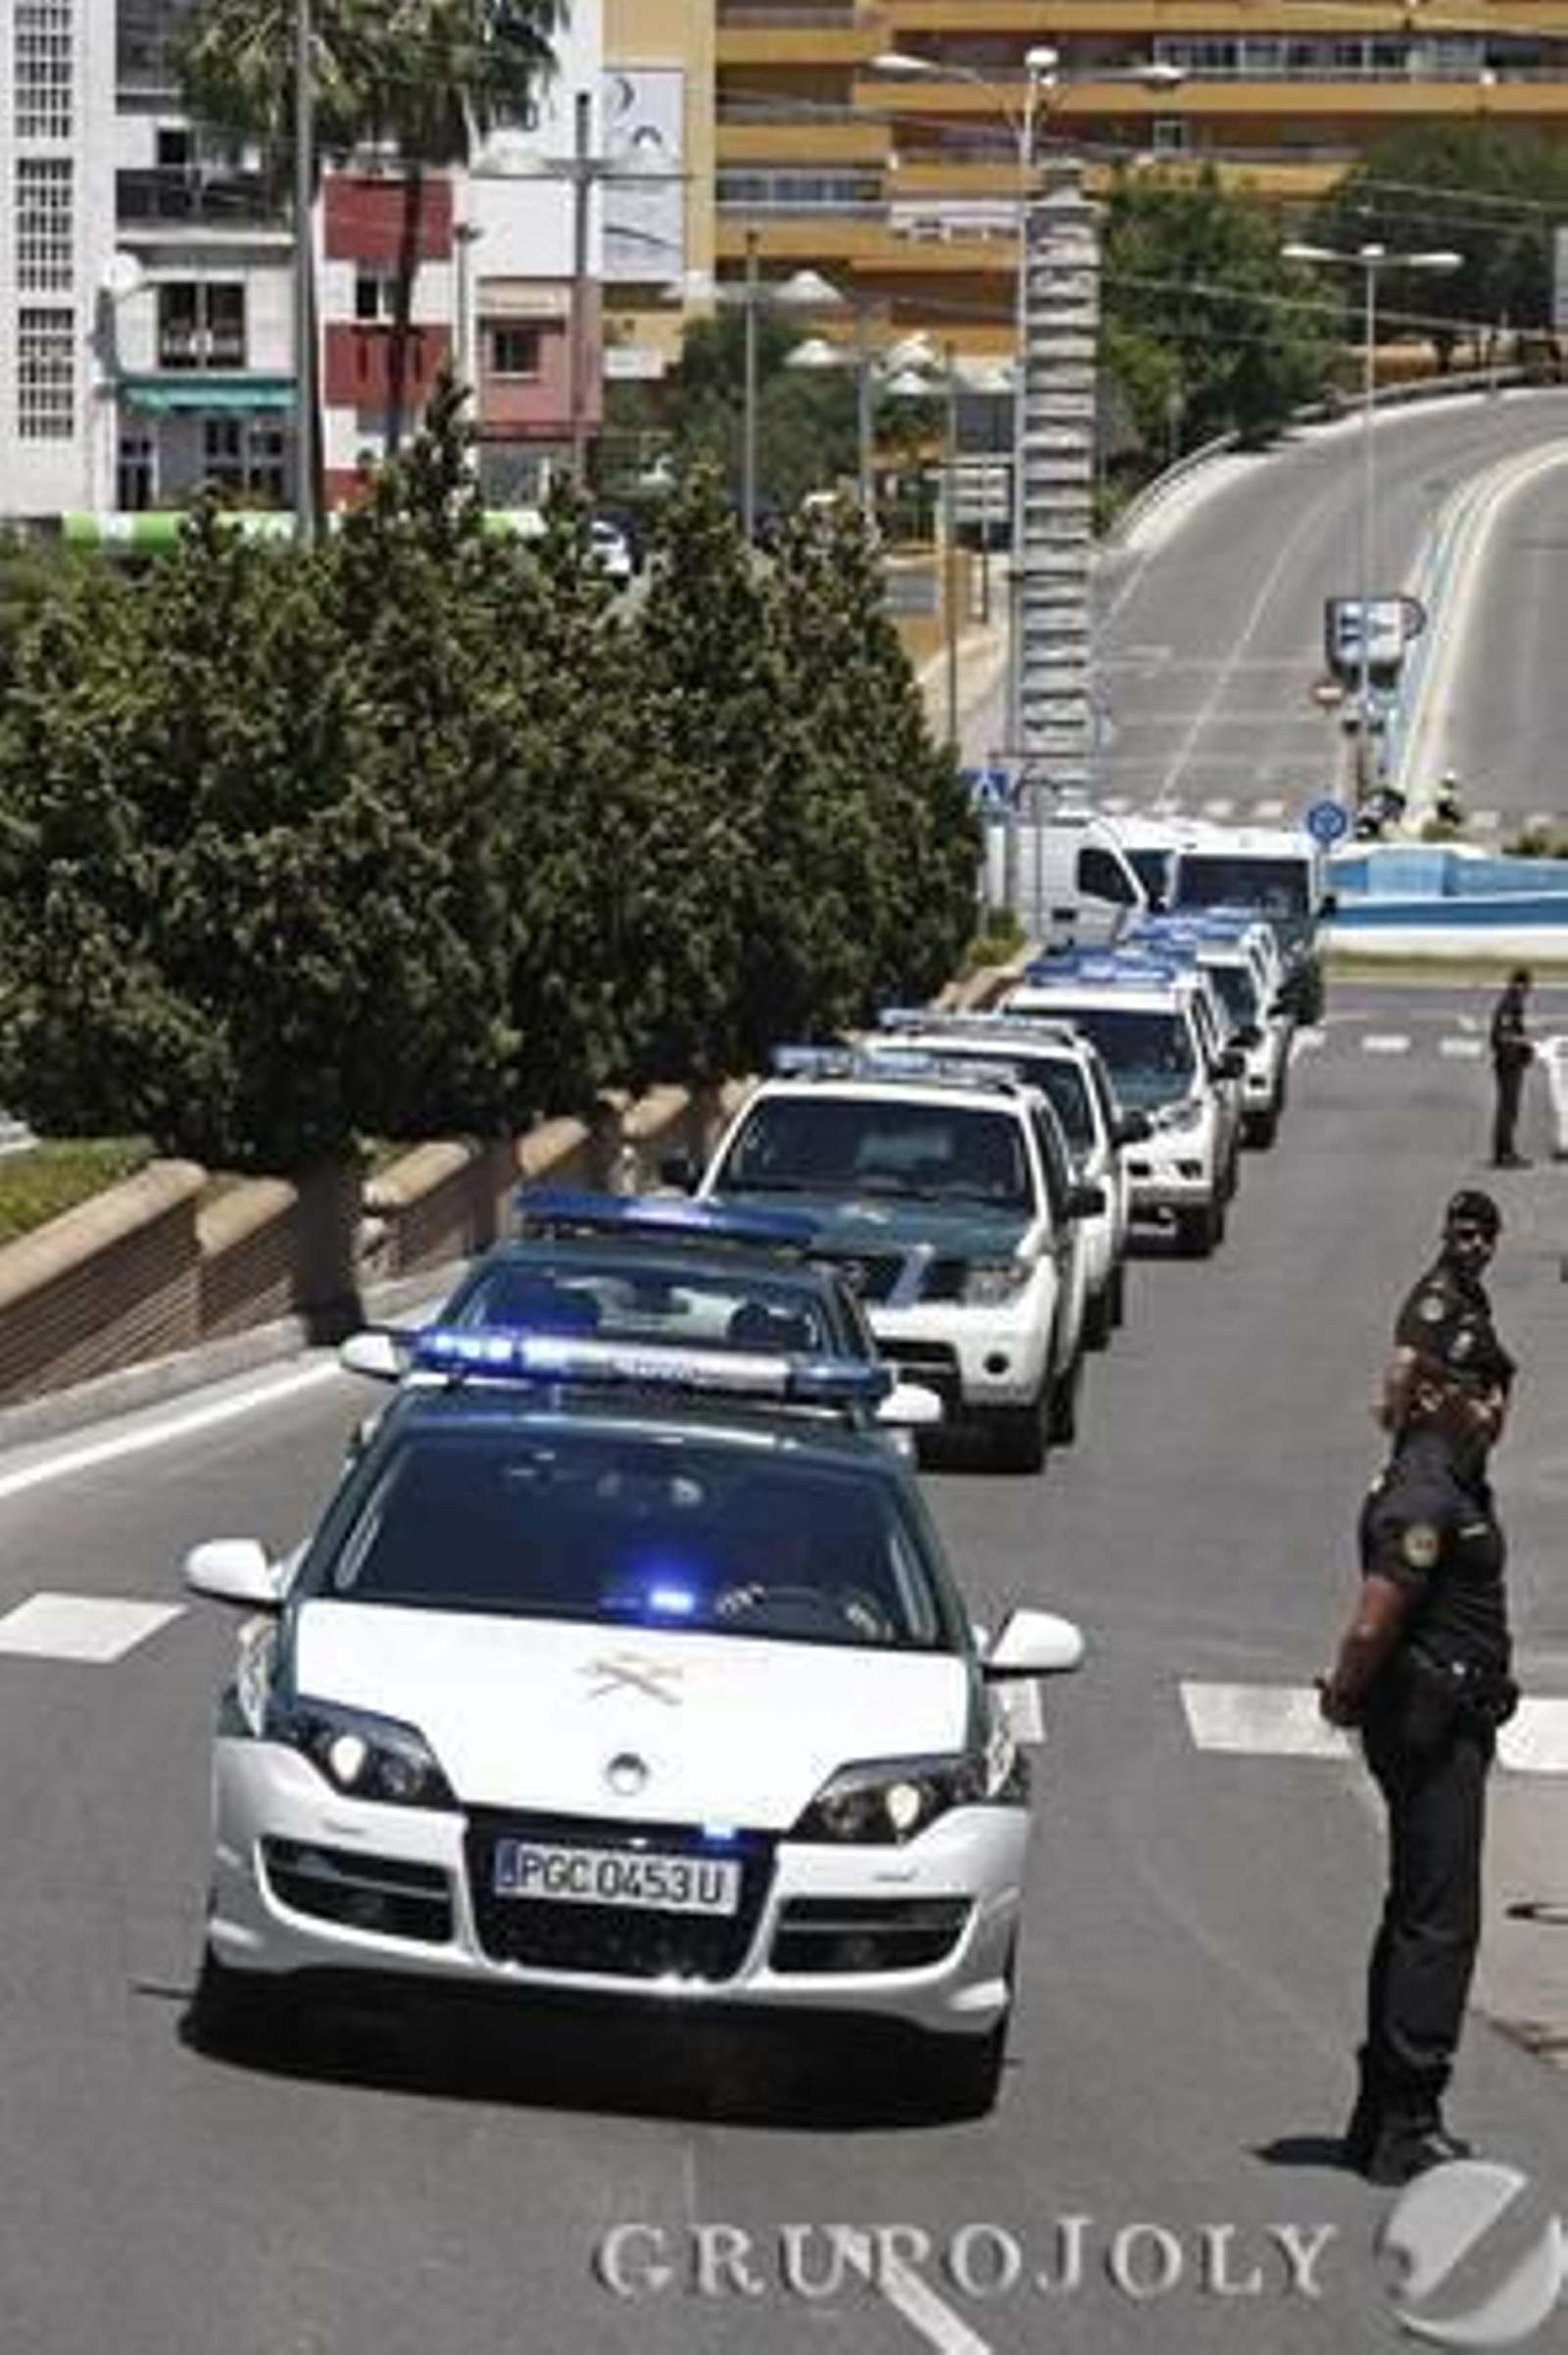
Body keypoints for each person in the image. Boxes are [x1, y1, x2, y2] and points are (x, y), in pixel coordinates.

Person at [1319, 1341, 1518, 2185]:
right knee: (1439, 1920)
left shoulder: (1453, 1479)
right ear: (1436, 1394)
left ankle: (1379, 2114)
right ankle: (1406, 2118)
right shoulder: (1426, 1491)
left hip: (1447, 1720)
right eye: (1480, 1390)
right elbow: (1375, 1618)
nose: (1495, 1407)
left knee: (1419, 1908)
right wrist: (1344, 1693)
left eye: (1503, 1391)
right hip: (1430, 1725)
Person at [1377, 1190, 1513, 1437]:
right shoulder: (1437, 1298)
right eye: (1467, 1235)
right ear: (1447, 1235)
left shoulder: (1471, 1292)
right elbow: (1405, 1361)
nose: (1478, 1243)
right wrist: (1399, 1423)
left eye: (1488, 1236)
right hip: (1436, 1443)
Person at [1489, 967, 1535, 1168]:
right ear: (1520, 984)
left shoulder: (1513, 1002)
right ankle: (1504, 1154)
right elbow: (1503, 1035)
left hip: (1510, 1061)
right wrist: (1524, 1044)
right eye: (1527, 986)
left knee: (1509, 1109)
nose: (1529, 991)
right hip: (1509, 1063)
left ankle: (1504, 1152)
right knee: (1508, 1109)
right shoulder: (1510, 1004)